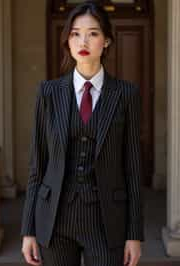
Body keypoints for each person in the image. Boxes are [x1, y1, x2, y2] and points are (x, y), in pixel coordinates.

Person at [20, 1, 144, 266]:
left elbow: (133, 169)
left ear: (107, 41)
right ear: (68, 40)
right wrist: (28, 229)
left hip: (106, 221)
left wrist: (135, 234)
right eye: (75, 33)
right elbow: (37, 167)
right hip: (54, 221)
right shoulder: (48, 93)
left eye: (93, 33)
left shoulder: (126, 95)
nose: (83, 40)